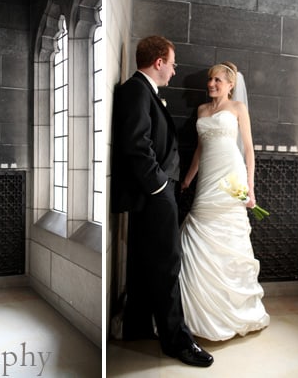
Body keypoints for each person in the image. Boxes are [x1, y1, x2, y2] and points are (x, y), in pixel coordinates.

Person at [110, 35, 213, 367]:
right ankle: (177, 341)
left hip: (155, 193)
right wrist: (158, 187)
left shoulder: (143, 92)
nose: (173, 69)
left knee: (146, 262)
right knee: (168, 264)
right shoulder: (136, 91)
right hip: (154, 194)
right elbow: (136, 143)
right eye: (172, 62)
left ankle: (138, 326)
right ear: (158, 62)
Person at [178, 62, 270, 341]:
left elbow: (249, 151)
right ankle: (195, 310)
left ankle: (230, 311)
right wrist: (187, 180)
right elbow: (199, 150)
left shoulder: (238, 109)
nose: (212, 84)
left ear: (231, 85)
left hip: (232, 179)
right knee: (196, 232)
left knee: (229, 238)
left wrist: (250, 190)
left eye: (218, 80)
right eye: (210, 80)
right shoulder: (202, 111)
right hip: (208, 179)